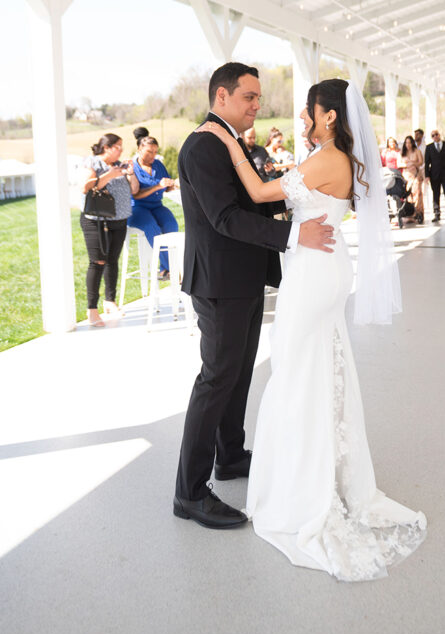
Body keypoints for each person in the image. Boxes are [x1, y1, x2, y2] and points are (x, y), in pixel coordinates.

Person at [195, 78, 426, 581]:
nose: (302, 117)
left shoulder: (327, 158)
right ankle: (317, 465)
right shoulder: (335, 157)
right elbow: (290, 200)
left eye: (308, 110)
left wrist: (231, 145)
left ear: (329, 115)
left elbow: (260, 192)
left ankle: (300, 485)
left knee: (295, 369)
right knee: (316, 364)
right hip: (324, 264)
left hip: (314, 271)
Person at [173, 63, 334, 531]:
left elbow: (252, 199)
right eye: (249, 97)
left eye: (259, 97)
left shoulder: (229, 140)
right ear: (221, 96)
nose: (257, 105)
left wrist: (300, 194)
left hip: (241, 278)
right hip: (219, 283)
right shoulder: (204, 144)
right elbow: (225, 217)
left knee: (239, 373)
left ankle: (229, 456)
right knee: (216, 379)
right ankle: (189, 492)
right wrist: (293, 236)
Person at [80, 133, 139, 326]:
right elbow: (85, 187)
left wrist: (130, 173)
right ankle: (92, 310)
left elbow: (134, 190)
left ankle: (110, 301)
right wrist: (110, 175)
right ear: (107, 147)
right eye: (117, 147)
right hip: (96, 221)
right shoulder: (92, 163)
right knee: (97, 262)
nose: (121, 151)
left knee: (112, 260)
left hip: (119, 219)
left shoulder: (120, 165)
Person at [128, 128, 179, 280]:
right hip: (136, 208)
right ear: (139, 149)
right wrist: (158, 186)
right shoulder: (133, 168)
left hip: (156, 206)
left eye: (155, 152)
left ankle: (165, 269)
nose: (153, 155)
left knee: (171, 224)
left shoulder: (158, 164)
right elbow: (136, 194)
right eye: (149, 152)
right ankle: (172, 269)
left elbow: (166, 187)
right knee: (152, 227)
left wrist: (172, 184)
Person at [424, 130, 445, 223]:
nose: (435, 136)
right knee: (436, 194)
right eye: (433, 135)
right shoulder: (429, 147)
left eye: (436, 134)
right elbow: (427, 163)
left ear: (439, 135)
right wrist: (427, 175)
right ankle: (436, 214)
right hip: (434, 175)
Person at [399, 134, 424, 222]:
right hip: (406, 176)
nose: (408, 145)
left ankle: (418, 212)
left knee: (417, 193)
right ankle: (410, 213)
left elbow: (421, 162)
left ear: (412, 143)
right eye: (406, 143)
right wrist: (407, 164)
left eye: (409, 143)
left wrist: (413, 163)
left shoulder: (417, 151)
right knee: (408, 194)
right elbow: (399, 163)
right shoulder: (402, 153)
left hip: (415, 175)